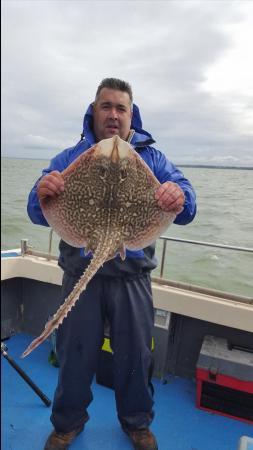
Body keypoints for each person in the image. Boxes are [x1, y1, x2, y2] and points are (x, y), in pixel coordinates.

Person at [27, 78, 197, 450]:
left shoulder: (152, 158)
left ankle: (137, 423)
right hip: (80, 272)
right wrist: (42, 193)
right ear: (94, 110)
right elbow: (35, 209)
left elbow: (188, 205)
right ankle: (67, 424)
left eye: (121, 108)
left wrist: (179, 194)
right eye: (107, 106)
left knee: (136, 355)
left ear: (131, 114)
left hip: (131, 276)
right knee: (75, 355)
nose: (114, 114)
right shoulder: (71, 157)